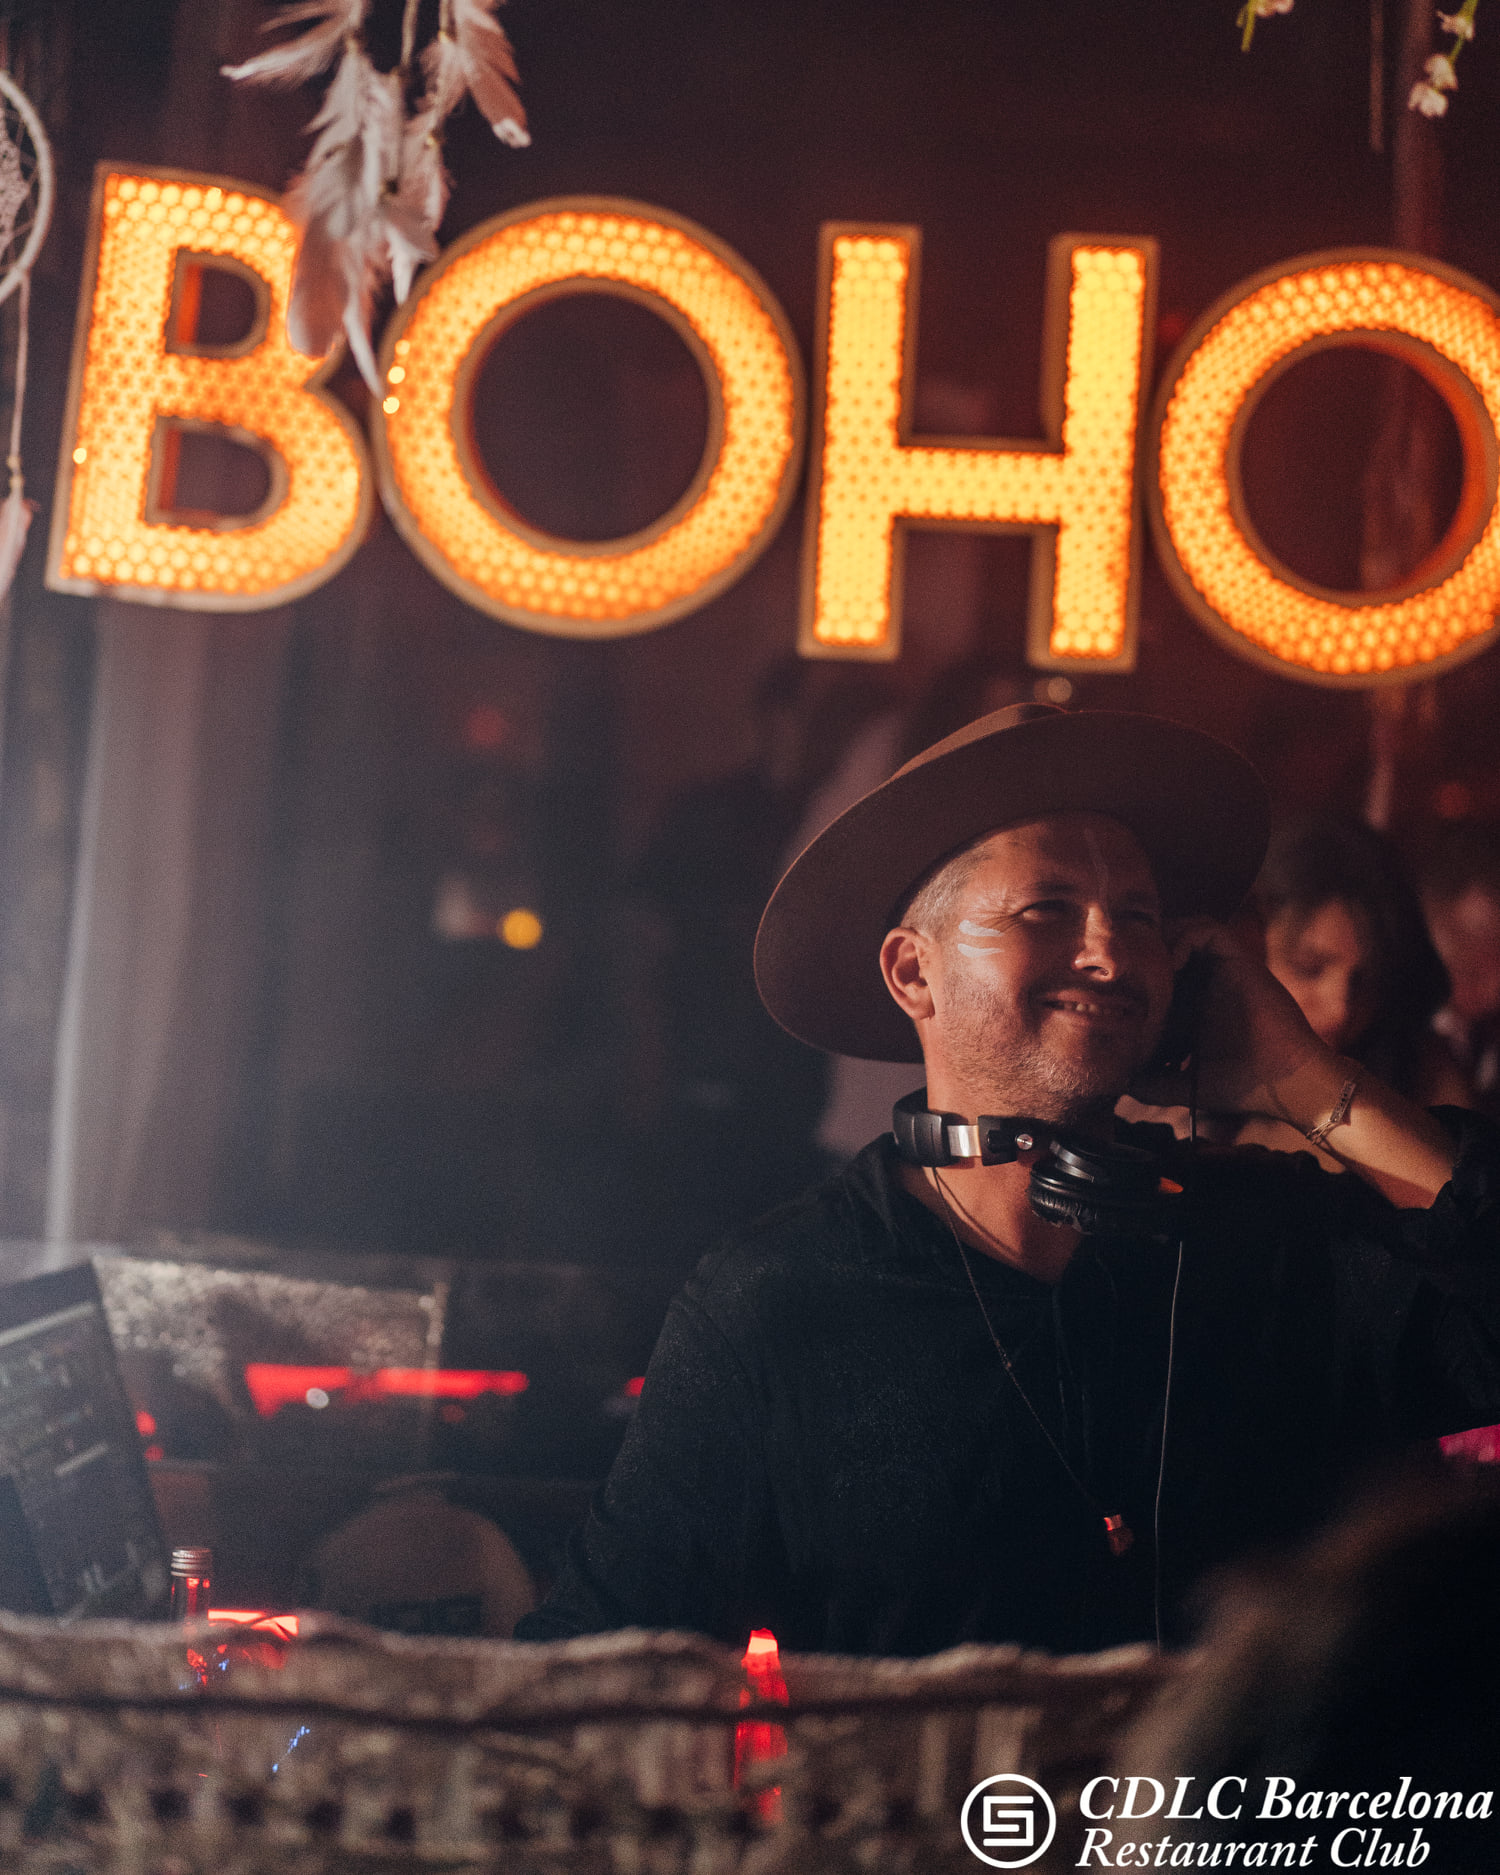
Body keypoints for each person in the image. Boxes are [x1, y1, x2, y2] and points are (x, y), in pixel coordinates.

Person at [517, 705, 1500, 1657]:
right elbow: (593, 1667)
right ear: (913, 974)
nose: (1109, 952)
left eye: (1139, 917)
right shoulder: (780, 1300)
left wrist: (1311, 1083)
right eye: (1048, 909)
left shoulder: (1268, 1242)